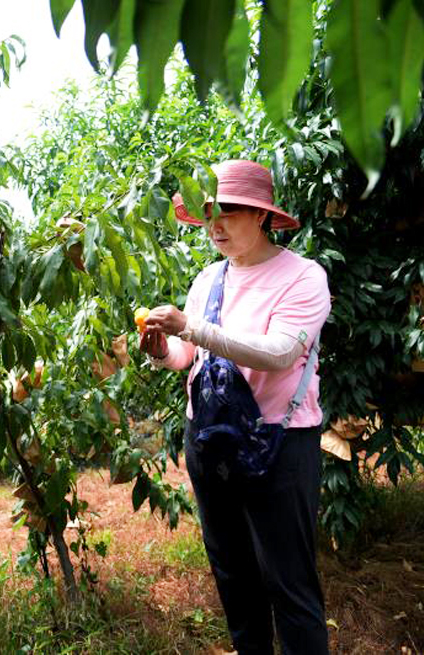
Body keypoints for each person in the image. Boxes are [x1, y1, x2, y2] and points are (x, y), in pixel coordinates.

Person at [139, 160, 331, 655]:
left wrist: (191, 327)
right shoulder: (208, 280)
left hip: (279, 445)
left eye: (228, 212)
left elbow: (280, 351)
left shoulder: (303, 278)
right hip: (209, 439)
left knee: (289, 582)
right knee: (234, 576)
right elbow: (192, 357)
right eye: (209, 215)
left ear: (264, 216)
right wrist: (164, 349)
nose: (216, 226)